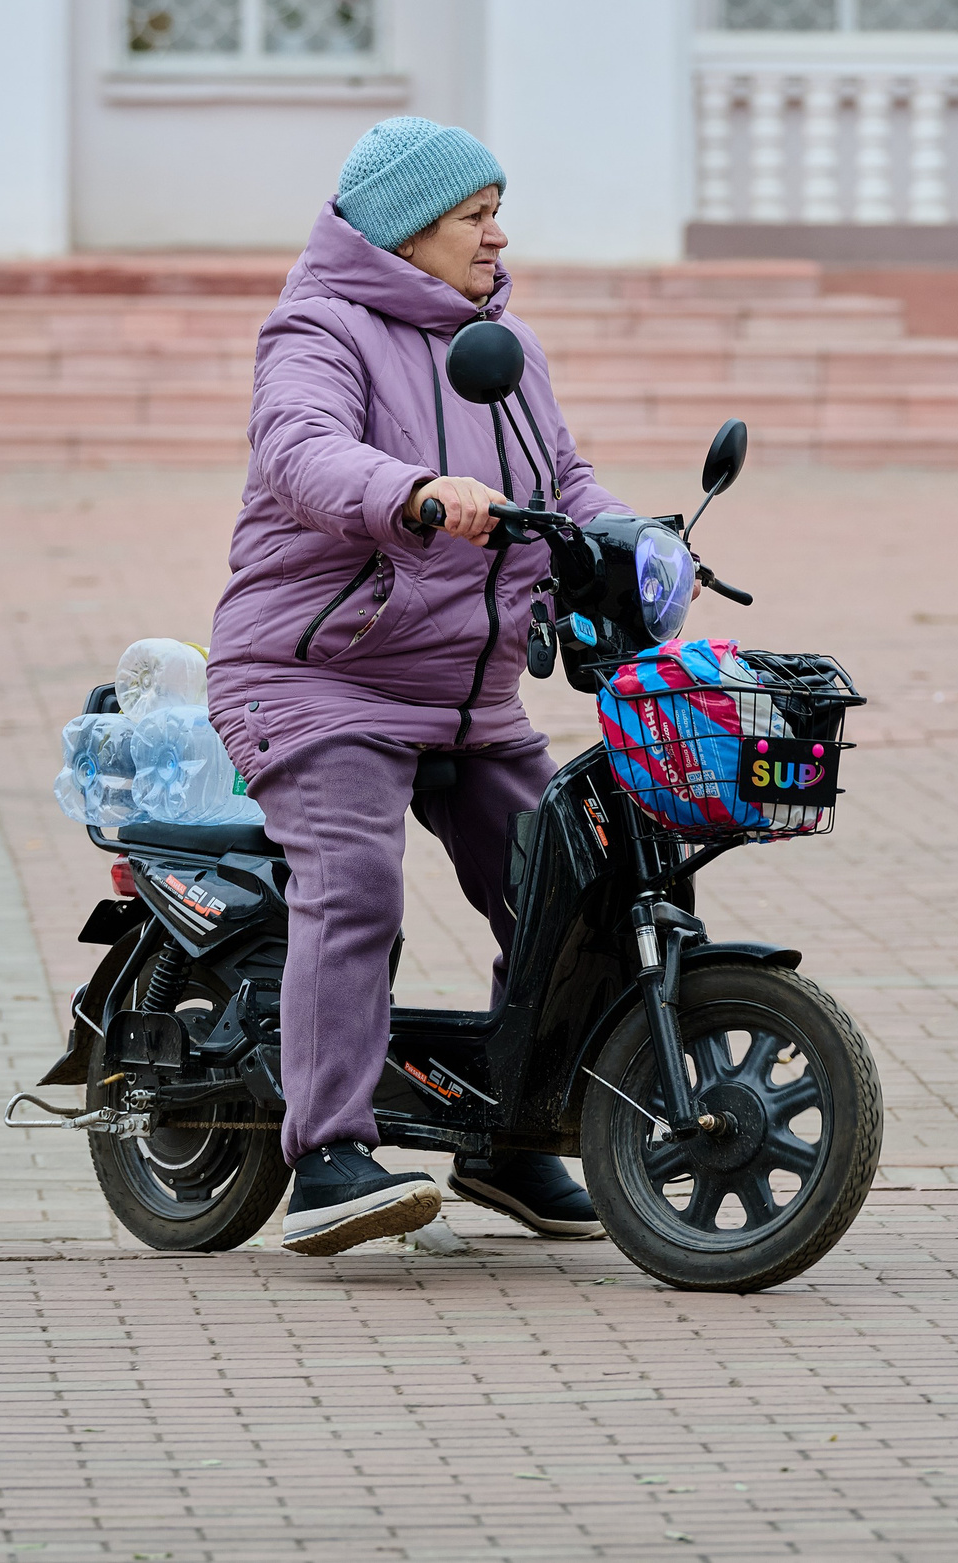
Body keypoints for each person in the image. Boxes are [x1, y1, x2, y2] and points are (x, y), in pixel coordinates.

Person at [207, 117, 628, 1255]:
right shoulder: (318, 328)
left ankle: (509, 1135)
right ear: (405, 233)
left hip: (468, 691)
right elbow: (298, 448)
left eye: (497, 212)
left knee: (570, 890)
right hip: (318, 676)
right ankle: (327, 1156)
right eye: (474, 216)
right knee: (355, 885)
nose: (499, 235)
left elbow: (563, 476)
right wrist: (412, 493)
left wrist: (629, 539)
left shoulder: (507, 346)